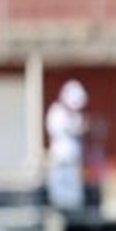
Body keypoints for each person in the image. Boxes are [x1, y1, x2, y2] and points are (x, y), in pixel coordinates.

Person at [45, 79, 89, 211]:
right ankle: (59, 208)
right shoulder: (56, 112)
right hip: (60, 156)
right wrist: (75, 126)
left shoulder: (76, 115)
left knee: (73, 186)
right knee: (59, 184)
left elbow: (80, 128)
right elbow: (59, 129)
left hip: (73, 157)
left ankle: (74, 208)